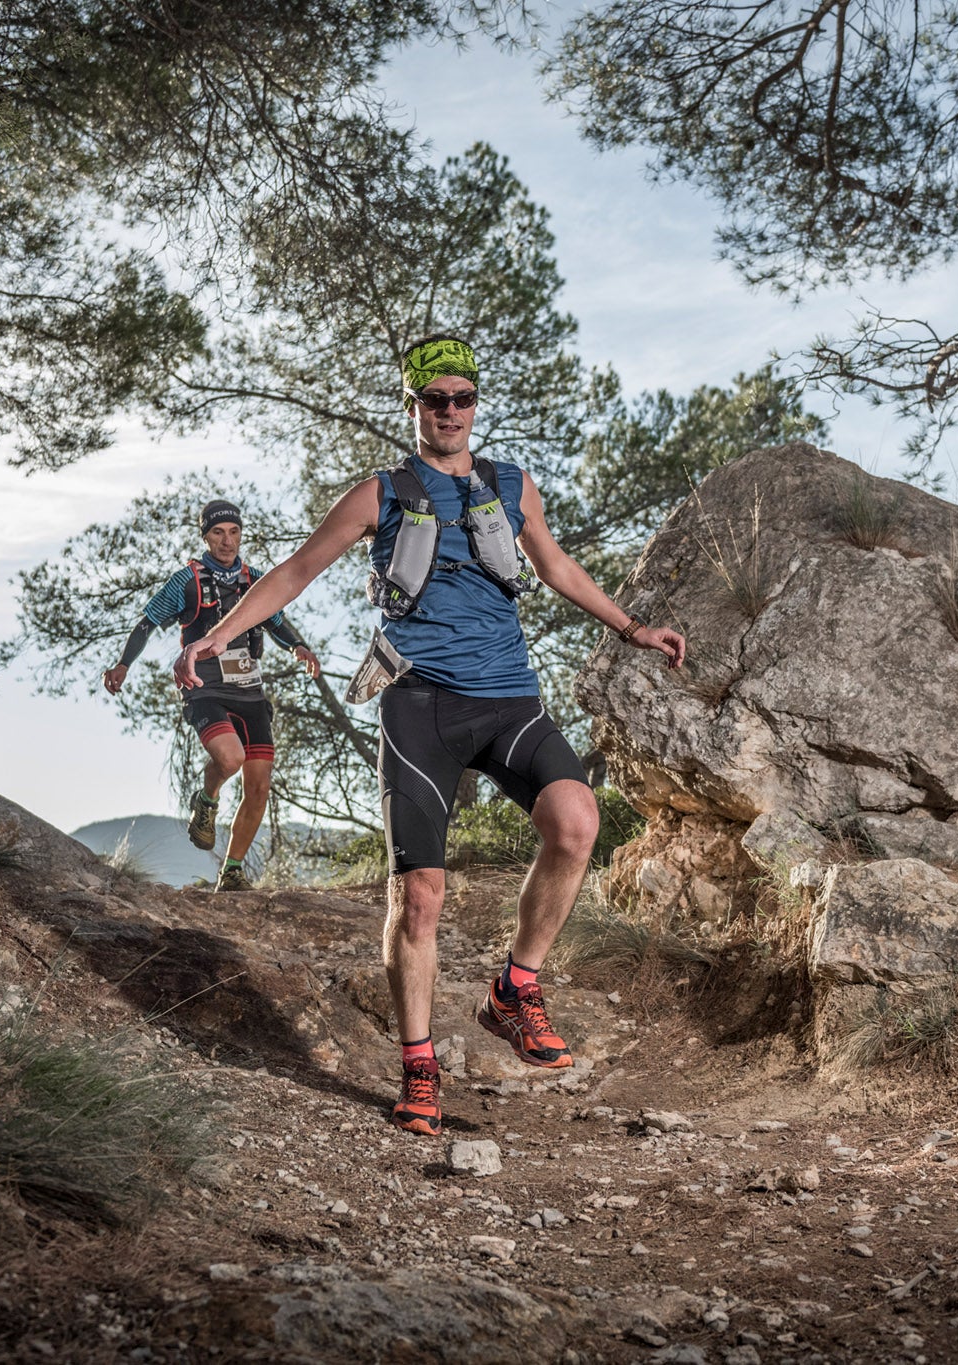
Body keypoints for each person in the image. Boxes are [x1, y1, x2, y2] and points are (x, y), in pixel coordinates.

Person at [175, 336, 686, 1135]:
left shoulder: (510, 486)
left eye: (462, 398)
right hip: (418, 705)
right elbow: (296, 571)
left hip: (509, 697)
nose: (449, 411)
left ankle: (515, 989)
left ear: (477, 403)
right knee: (419, 897)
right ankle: (419, 1067)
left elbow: (555, 566)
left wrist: (633, 627)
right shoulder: (379, 492)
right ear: (412, 407)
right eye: (433, 399)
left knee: (577, 820)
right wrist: (217, 636)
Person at [105, 499, 320, 891]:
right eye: (218, 533)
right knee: (230, 757)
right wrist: (123, 664)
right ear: (205, 536)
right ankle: (207, 799)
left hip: (251, 693)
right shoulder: (186, 581)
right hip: (205, 690)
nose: (227, 541)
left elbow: (277, 621)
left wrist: (298, 646)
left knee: (259, 787)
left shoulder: (255, 579)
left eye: (234, 532)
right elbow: (148, 622)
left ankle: (232, 871)